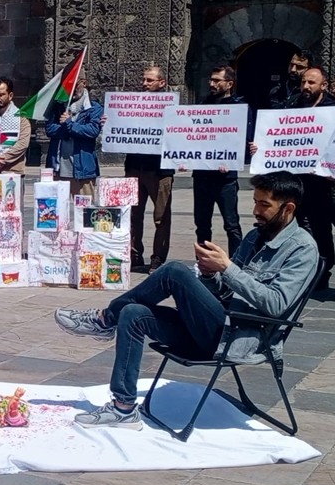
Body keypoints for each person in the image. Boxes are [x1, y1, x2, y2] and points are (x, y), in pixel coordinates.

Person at [54, 171, 318, 429]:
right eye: (255, 202)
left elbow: (277, 304)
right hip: (213, 325)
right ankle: (123, 408)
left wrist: (227, 268)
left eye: (264, 205)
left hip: (237, 338)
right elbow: (223, 291)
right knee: (133, 313)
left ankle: (104, 320)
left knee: (174, 271)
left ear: (288, 208)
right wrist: (209, 274)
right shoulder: (254, 237)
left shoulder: (302, 249)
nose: (256, 210)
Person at [276, 67, 335, 288]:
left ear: (324, 85)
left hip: (319, 182)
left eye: (311, 82)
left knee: (320, 227)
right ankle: (296, 270)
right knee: (291, 225)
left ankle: (323, 271)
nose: (305, 86)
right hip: (294, 181)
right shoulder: (292, 105)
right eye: (304, 82)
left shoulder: (332, 110)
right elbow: (278, 135)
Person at [191, 65, 249, 257]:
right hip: (202, 176)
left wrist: (232, 159)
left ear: (229, 84)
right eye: (211, 79)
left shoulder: (238, 108)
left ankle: (236, 262)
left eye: (217, 80)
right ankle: (203, 263)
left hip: (225, 179)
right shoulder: (203, 105)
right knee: (202, 225)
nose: (212, 84)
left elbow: (244, 139)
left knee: (231, 224)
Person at [126, 66, 174, 273]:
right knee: (133, 215)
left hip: (160, 170)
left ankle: (158, 258)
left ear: (162, 83)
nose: (144, 84)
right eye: (144, 79)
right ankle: (134, 254)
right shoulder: (132, 104)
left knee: (161, 217)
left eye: (150, 80)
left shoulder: (171, 107)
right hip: (134, 166)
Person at [45, 96, 103, 199]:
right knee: (56, 207)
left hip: (83, 171)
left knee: (85, 207)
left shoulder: (94, 107)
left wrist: (69, 124)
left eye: (76, 87)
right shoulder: (57, 106)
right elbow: (50, 129)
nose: (73, 89)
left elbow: (92, 131)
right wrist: (69, 132)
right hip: (58, 169)